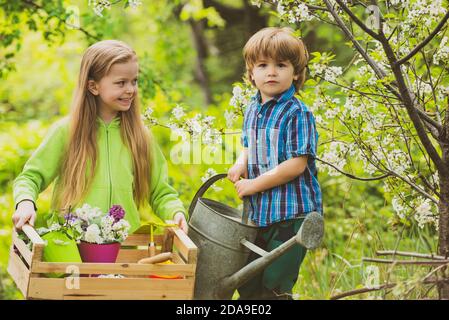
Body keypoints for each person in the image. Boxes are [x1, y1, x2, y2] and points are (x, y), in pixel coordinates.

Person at [12, 40, 188, 234]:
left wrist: (175, 213)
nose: (131, 89)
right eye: (121, 82)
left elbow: (160, 191)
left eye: (134, 81)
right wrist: (25, 202)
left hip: (122, 252)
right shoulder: (66, 131)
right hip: (71, 249)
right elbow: (30, 177)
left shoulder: (140, 136)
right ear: (93, 86)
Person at [228, 27, 323, 299]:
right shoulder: (252, 108)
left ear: (295, 73)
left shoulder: (298, 114)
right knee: (247, 282)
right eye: (263, 65)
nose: (271, 72)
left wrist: (253, 185)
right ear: (251, 73)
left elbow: (296, 165)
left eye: (280, 65)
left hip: (292, 217)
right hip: (260, 215)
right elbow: (248, 145)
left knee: (274, 285)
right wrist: (240, 162)